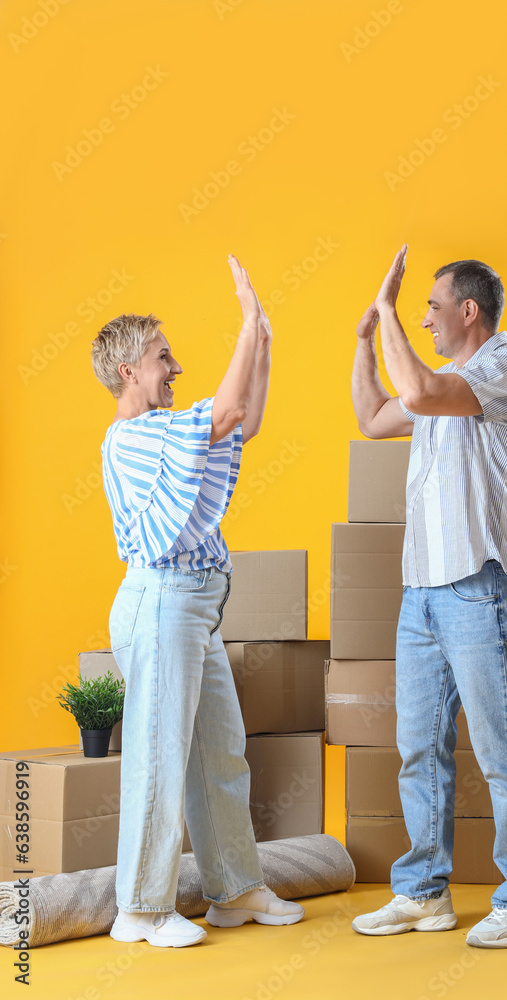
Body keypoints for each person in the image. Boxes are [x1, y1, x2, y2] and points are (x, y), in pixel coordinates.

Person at [91, 255, 304, 948]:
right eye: (162, 356)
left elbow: (242, 418)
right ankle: (142, 909)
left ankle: (235, 890)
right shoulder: (134, 439)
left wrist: (261, 342)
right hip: (161, 605)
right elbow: (226, 410)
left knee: (219, 751)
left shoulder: (168, 431)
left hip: (193, 611)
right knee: (158, 753)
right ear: (129, 371)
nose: (173, 366)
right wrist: (247, 323)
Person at [350, 246, 507, 949]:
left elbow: (424, 393)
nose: (424, 319)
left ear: (468, 311)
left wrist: (386, 309)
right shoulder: (441, 381)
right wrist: (367, 341)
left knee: (501, 748)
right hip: (422, 593)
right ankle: (422, 894)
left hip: (477, 586)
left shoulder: (501, 372)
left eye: (431, 308)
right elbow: (374, 417)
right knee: (418, 748)